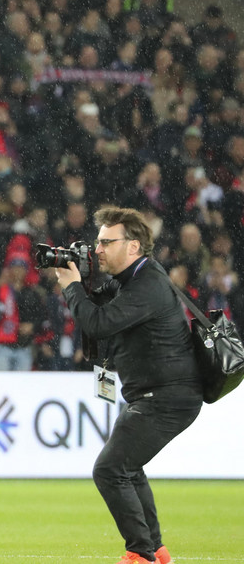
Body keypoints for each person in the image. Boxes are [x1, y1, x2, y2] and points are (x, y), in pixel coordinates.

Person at [56, 206, 202, 564]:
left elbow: (98, 324)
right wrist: (85, 277)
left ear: (133, 247)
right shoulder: (134, 279)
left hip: (167, 397)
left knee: (109, 470)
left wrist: (72, 285)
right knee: (127, 468)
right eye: (97, 241)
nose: (98, 249)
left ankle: (140, 554)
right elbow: (102, 306)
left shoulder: (148, 283)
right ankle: (156, 550)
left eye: (107, 242)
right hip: (155, 394)